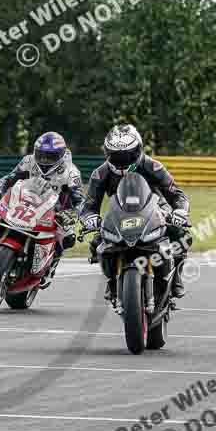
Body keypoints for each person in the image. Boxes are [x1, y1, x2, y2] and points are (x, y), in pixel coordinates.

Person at [80, 124, 191, 302]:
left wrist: (179, 212)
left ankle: (176, 277)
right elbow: (89, 206)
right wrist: (90, 218)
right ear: (107, 154)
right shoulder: (100, 174)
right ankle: (111, 280)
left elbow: (177, 194)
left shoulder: (153, 167)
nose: (122, 161)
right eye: (116, 156)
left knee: (180, 235)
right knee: (96, 243)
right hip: (119, 213)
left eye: (127, 155)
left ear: (138, 150)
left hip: (155, 210)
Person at [0, 131, 85, 287]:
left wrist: (71, 214)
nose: (45, 160)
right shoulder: (28, 161)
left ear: (60, 155)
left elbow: (80, 200)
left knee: (68, 237)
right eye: (41, 155)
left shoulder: (71, 172)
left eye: (50, 156)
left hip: (56, 210)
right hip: (26, 202)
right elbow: (9, 178)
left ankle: (51, 265)